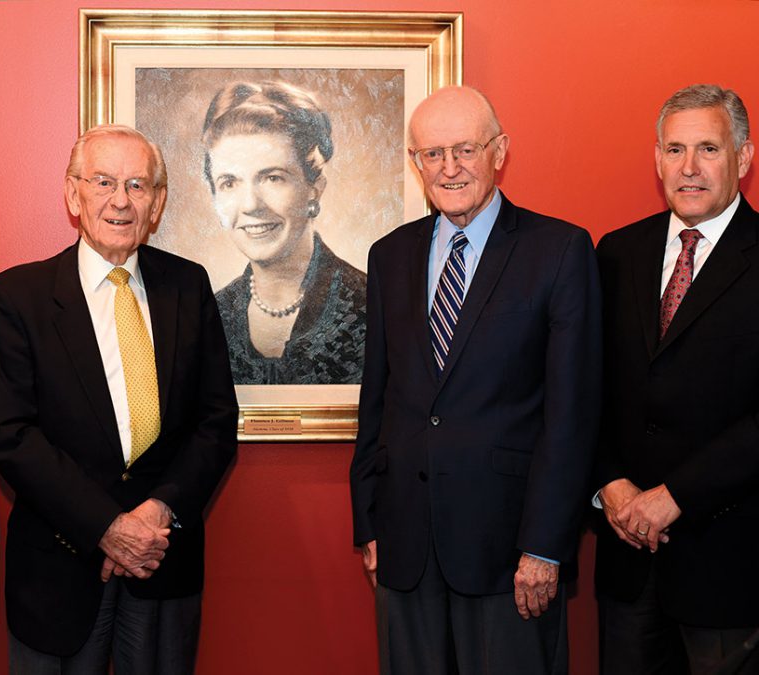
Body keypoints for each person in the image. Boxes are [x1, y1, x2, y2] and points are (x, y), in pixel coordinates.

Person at [349, 86, 601, 674]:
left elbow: (573, 415)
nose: (449, 167)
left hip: (509, 550)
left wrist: (544, 545)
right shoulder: (389, 256)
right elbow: (377, 400)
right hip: (405, 543)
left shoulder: (559, 250)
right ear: (415, 163)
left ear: (500, 151)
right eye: (432, 154)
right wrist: (369, 521)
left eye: (465, 149)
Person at [0, 124, 238, 674]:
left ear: (158, 203)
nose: (120, 200)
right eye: (102, 182)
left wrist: (156, 511)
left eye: (138, 185)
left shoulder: (189, 286)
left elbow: (216, 421)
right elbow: (11, 434)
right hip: (58, 567)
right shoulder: (14, 297)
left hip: (163, 561)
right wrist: (107, 526)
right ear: (73, 194)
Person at [594, 84, 759, 675]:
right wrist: (610, 483)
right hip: (627, 563)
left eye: (708, 149)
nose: (687, 168)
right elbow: (588, 389)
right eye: (674, 149)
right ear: (656, 158)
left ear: (743, 159)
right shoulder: (615, 253)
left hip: (730, 568)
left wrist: (676, 497)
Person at [202, 80, 366, 384]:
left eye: (273, 178)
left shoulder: (371, 307)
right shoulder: (208, 317)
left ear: (313, 189)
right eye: (229, 182)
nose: (251, 204)